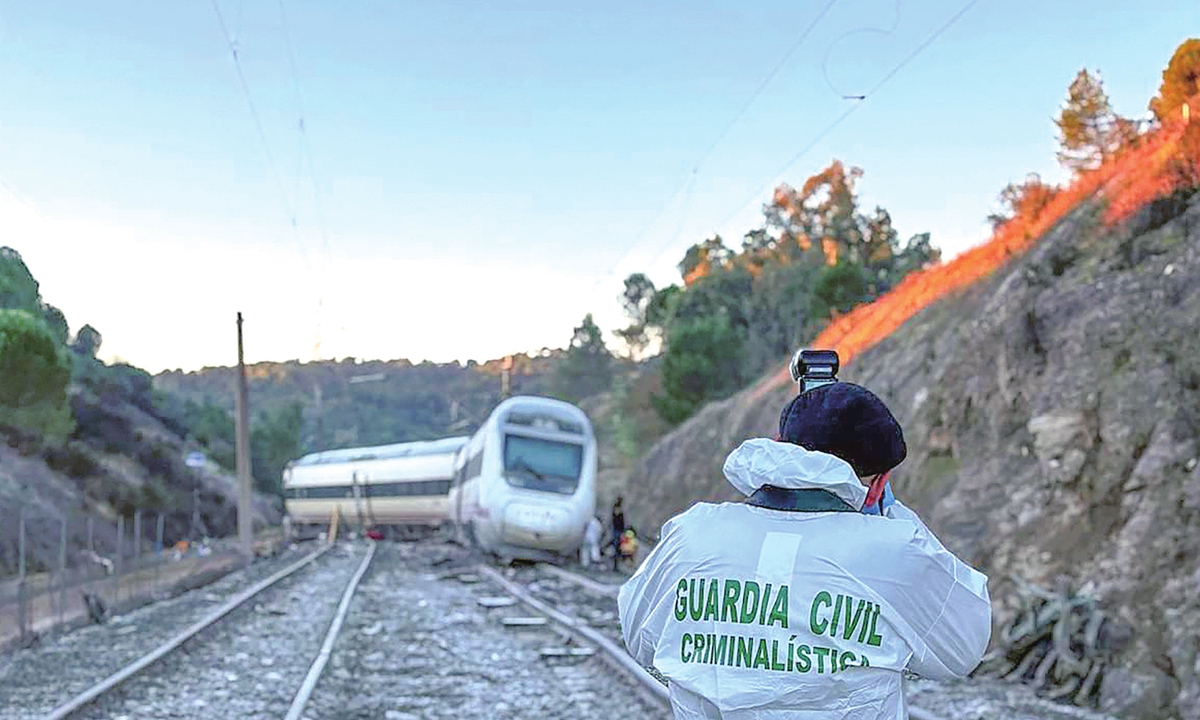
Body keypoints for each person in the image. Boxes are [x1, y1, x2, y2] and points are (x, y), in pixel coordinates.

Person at [618, 382, 991, 719]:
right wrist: (892, 515)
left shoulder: (691, 534)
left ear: (778, 447)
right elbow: (963, 649)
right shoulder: (895, 549)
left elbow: (640, 638)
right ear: (878, 485)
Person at [610, 496, 626, 571]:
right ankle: (615, 566)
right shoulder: (617, 508)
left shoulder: (617, 508)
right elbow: (617, 520)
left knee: (618, 547)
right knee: (617, 547)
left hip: (618, 530)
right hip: (617, 530)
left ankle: (616, 565)